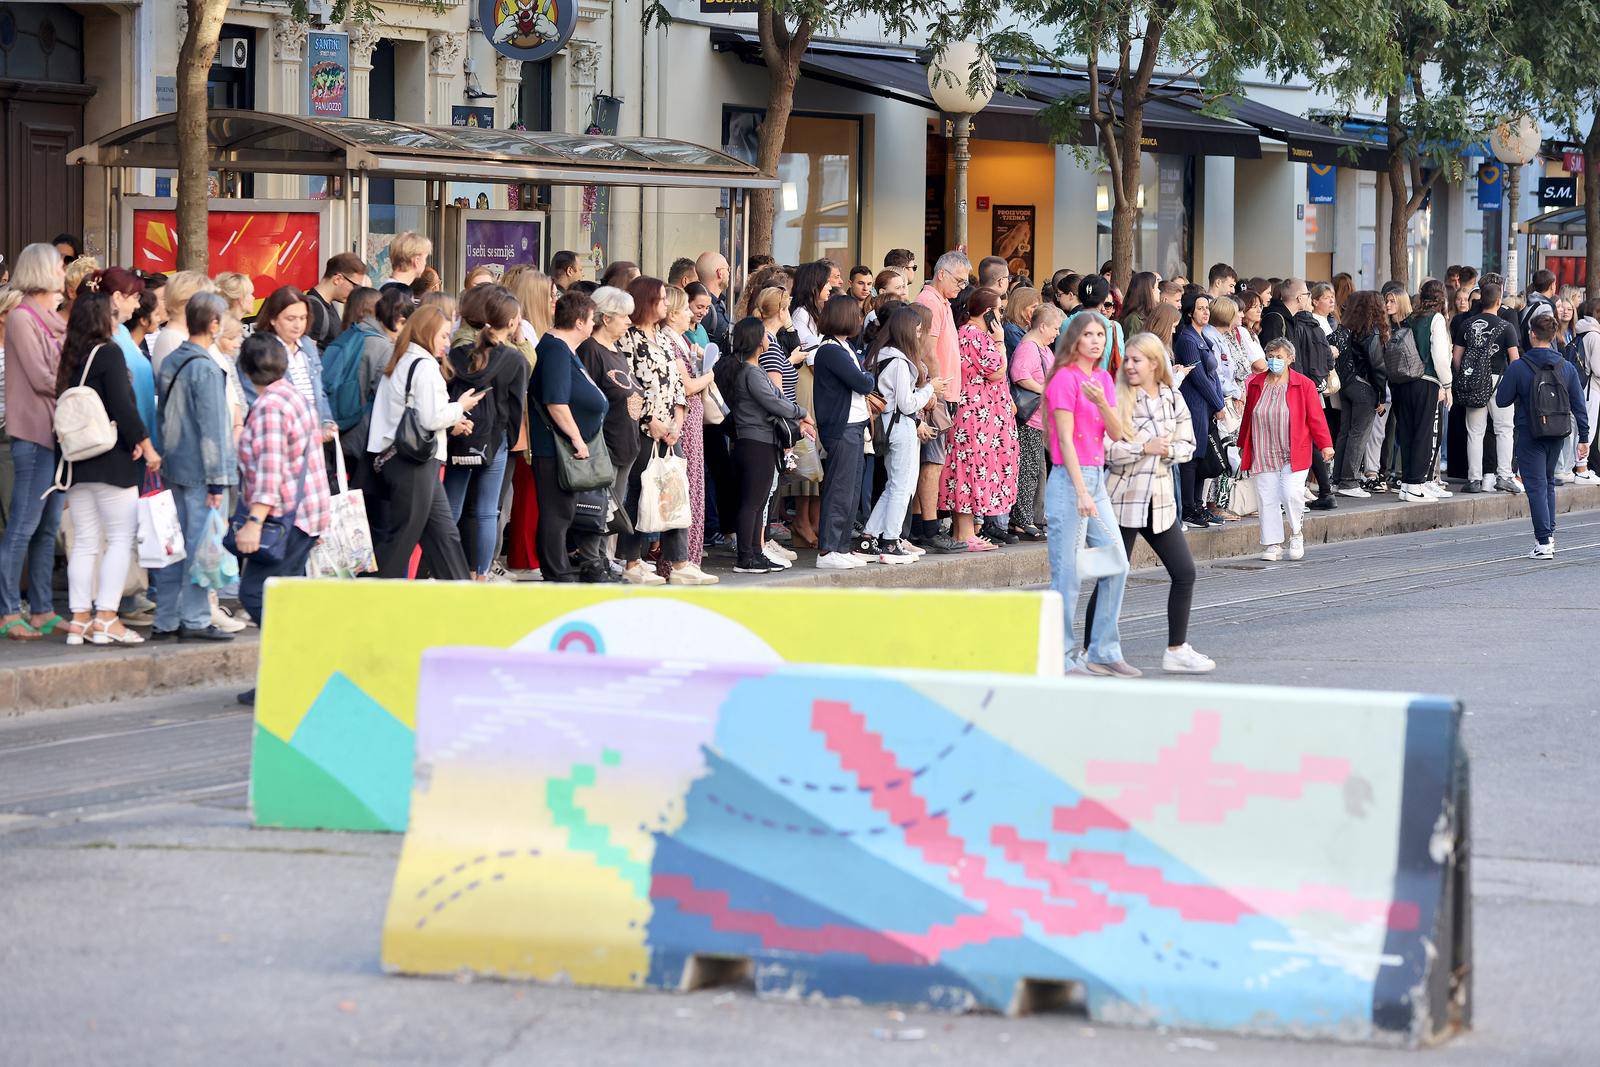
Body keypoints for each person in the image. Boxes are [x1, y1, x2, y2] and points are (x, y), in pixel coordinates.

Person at [1083, 333, 1212, 672]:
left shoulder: (1172, 397)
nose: (1129, 365)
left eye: (1136, 360)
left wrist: (1166, 449)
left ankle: (1176, 648)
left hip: (1160, 499)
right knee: (1111, 577)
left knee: (1184, 572)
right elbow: (1107, 451)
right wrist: (1144, 447)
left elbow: (1188, 444)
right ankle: (1091, 651)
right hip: (1123, 500)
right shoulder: (1117, 396)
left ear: (1155, 363)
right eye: (1127, 359)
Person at [53, 292, 159, 646]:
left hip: (78, 461)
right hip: (113, 459)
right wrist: (145, 445)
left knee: (83, 542)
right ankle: (107, 618)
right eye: (114, 314)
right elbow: (124, 407)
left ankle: (79, 618)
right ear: (103, 319)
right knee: (118, 540)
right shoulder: (108, 353)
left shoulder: (69, 357)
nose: (118, 319)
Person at [233, 332, 332, 702]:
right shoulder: (292, 397)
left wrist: (254, 523)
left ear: (245, 371)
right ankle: (289, 676)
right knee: (283, 596)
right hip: (305, 512)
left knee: (257, 593)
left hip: (286, 518)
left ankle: (296, 670)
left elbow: (271, 471)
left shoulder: (271, 407)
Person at [1043, 312, 1134, 676]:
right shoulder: (1064, 379)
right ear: (1074, 340)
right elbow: (1063, 440)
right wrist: (1081, 492)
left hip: (1095, 479)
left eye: (1100, 334)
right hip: (1070, 481)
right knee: (1067, 574)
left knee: (1118, 562)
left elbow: (1118, 433)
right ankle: (1061, 656)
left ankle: (1102, 649)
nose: (1096, 341)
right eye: (1088, 335)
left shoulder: (1101, 380)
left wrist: (1100, 401)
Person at [368, 305, 482, 580]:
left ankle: (460, 592)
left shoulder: (404, 359)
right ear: (427, 332)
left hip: (405, 459)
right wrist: (460, 406)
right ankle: (377, 595)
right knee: (409, 536)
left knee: (441, 533)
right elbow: (431, 418)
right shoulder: (425, 366)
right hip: (415, 463)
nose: (447, 342)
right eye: (443, 335)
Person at [614, 277, 716, 585]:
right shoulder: (629, 338)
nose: (665, 304)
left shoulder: (661, 336)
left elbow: (674, 383)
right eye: (660, 299)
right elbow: (627, 385)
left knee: (675, 490)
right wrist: (650, 421)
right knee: (639, 491)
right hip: (644, 428)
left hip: (671, 426)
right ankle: (632, 561)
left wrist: (678, 420)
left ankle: (679, 561)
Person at [151, 292, 237, 640]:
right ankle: (197, 618)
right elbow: (214, 429)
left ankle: (166, 618)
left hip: (173, 464)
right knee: (202, 548)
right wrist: (219, 482)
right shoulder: (206, 367)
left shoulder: (173, 361)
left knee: (174, 547)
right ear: (214, 324)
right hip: (202, 471)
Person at [0, 244, 69, 641]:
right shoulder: (24, 318)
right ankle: (9, 609)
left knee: (46, 527)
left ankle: (42, 608)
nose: (64, 271)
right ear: (43, 270)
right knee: (23, 526)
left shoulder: (49, 318)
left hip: (55, 433)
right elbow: (44, 377)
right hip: (32, 433)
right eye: (59, 266)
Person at [443, 285, 528, 579]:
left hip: (459, 434)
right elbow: (517, 407)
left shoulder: (457, 354)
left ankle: (442, 570)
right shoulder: (515, 360)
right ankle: (479, 573)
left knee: (451, 508)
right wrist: (507, 437)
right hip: (496, 440)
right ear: (513, 322)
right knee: (486, 511)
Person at [529, 290, 613, 583]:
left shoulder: (564, 350)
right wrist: (577, 438)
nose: (594, 326)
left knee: (563, 510)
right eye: (592, 320)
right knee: (558, 511)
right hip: (555, 448)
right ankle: (556, 572)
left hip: (563, 446)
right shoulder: (554, 351)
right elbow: (556, 402)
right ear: (579, 322)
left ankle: (559, 569)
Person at [1494, 311, 1590, 558]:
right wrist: (1584, 438)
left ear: (1532, 335)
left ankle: (1544, 542)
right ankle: (1550, 535)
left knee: (1535, 485)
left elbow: (1502, 400)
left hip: (1530, 432)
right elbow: (1579, 404)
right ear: (1552, 335)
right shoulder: (1566, 367)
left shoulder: (1519, 366)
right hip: (1558, 432)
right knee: (1547, 482)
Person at [720, 318, 811, 573]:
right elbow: (773, 402)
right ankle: (746, 557)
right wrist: (801, 412)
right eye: (765, 334)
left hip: (757, 441)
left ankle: (756, 552)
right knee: (752, 501)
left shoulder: (750, 369)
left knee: (757, 502)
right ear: (758, 340)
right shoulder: (750, 372)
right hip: (755, 442)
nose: (769, 338)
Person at [1237, 337, 1334, 562]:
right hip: (1263, 449)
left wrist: (1325, 444)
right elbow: (1248, 416)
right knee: (1266, 496)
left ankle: (1296, 533)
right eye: (1270, 357)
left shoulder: (1304, 384)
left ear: (1291, 359)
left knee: (1291, 492)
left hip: (1294, 450)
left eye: (1279, 357)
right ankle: (1272, 543)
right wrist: (1243, 445)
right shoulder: (1255, 383)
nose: (1273, 361)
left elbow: (1315, 417)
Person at [938, 289, 1019, 553]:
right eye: (999, 310)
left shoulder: (968, 333)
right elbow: (996, 371)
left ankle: (968, 530)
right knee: (970, 468)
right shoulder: (975, 335)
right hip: (975, 416)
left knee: (972, 467)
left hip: (979, 414)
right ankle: (964, 532)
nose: (1001, 315)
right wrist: (1000, 342)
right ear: (988, 312)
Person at [862, 306, 942, 563]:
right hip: (900, 425)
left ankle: (871, 536)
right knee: (901, 486)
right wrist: (930, 389)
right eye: (917, 330)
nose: (919, 336)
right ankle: (890, 541)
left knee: (894, 485)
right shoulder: (898, 360)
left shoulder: (881, 353)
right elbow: (906, 404)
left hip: (888, 424)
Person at [577, 286, 643, 581]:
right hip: (605, 441)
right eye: (624, 316)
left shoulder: (618, 350)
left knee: (613, 508)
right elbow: (586, 397)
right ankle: (592, 559)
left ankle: (604, 555)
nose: (629, 321)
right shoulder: (591, 350)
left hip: (626, 439)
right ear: (605, 318)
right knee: (598, 506)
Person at [811, 294, 879, 568]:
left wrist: (866, 376)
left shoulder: (844, 346)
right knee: (839, 489)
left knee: (850, 489)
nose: (860, 320)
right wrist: (868, 377)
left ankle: (840, 546)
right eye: (857, 315)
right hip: (842, 427)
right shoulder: (830, 350)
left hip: (854, 426)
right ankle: (827, 550)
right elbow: (862, 382)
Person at [659, 285, 717, 575]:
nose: (689, 315)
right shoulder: (669, 343)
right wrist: (708, 374)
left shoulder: (680, 341)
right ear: (671, 314)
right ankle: (677, 562)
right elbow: (686, 385)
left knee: (693, 485)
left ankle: (689, 559)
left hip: (691, 419)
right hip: (682, 421)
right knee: (685, 487)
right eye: (684, 309)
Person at [1452, 281, 1521, 494]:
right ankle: (1504, 475)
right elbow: (1515, 361)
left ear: (1481, 301)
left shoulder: (1467, 324)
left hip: (1473, 382)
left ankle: (1474, 479)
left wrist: (1466, 375)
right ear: (1499, 301)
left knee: (1475, 432)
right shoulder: (1506, 327)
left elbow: (1456, 357)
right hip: (1499, 382)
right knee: (1504, 430)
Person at [245, 286, 336, 441]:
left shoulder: (306, 344)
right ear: (273, 319)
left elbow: (318, 390)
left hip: (312, 435)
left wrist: (326, 421)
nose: (298, 325)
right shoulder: (259, 349)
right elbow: (253, 397)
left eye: (303, 318)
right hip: (279, 436)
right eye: (290, 319)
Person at [1008, 303, 1061, 540]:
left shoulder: (1041, 347)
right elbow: (1019, 375)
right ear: (1042, 327)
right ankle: (1021, 520)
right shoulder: (1029, 348)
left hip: (1040, 420)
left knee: (1038, 470)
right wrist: (1044, 389)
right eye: (1055, 329)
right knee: (1029, 469)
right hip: (1030, 419)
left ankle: (1033, 517)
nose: (1057, 334)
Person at [1172, 291, 1225, 528]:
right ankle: (1188, 508)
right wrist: (1219, 403)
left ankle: (1197, 505)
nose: (1206, 312)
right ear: (1190, 311)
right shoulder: (1187, 339)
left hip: (1205, 405)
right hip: (1194, 403)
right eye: (1201, 308)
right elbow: (1200, 378)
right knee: (1192, 457)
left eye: (1207, 308)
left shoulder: (1203, 337)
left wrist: (1216, 401)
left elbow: (1213, 375)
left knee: (1200, 455)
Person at [1331, 291, 1389, 497]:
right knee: (1359, 434)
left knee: (1345, 433)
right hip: (1364, 387)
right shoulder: (1371, 332)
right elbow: (1377, 366)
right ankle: (1350, 482)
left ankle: (1337, 480)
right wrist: (1381, 396)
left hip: (1346, 385)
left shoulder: (1347, 329)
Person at [148, 271, 216, 371]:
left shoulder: (179, 336)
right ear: (187, 302)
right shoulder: (175, 340)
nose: (211, 307)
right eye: (206, 301)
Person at [304, 252, 372, 350]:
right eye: (355, 286)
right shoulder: (315, 308)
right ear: (338, 279)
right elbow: (309, 358)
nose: (355, 292)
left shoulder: (327, 305)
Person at [1572, 298, 1600, 483]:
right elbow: (1598, 368)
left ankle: (1577, 466)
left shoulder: (1581, 331)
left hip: (1581, 385)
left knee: (1578, 427)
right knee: (1586, 428)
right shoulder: (1595, 335)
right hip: (1592, 388)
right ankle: (1581, 467)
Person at [1517, 269, 1557, 350]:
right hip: (1540, 355)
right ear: (1552, 286)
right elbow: (1547, 335)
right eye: (1555, 284)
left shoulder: (1530, 303)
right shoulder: (1545, 308)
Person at [382, 232, 432, 296]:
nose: (425, 263)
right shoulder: (400, 295)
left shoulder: (386, 288)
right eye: (425, 258)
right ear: (416, 260)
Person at [1002, 286, 1040, 357]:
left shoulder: (1020, 327)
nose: (1037, 311)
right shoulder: (1011, 330)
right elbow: (1028, 354)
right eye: (1034, 307)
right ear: (1021, 308)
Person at [1120, 271, 1159, 335]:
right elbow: (1133, 344)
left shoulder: (1150, 315)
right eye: (1157, 287)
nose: (1159, 291)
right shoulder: (1134, 320)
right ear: (1149, 291)